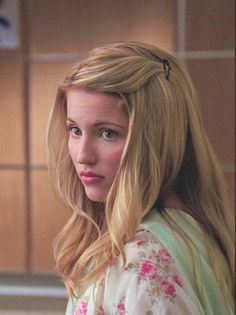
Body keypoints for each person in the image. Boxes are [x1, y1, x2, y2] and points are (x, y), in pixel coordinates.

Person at [47, 41, 235, 315]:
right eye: (75, 130)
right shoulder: (191, 231)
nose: (82, 155)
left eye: (107, 133)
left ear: (155, 141)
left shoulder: (138, 266)